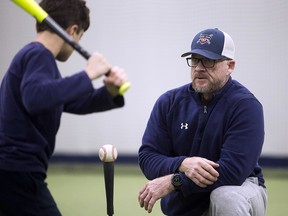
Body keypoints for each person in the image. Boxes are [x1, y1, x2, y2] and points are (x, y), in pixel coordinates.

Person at [0, 0, 129, 215]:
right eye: (80, 37)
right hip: (17, 171)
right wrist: (88, 74)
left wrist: (110, 93)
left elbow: (71, 100)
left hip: (13, 173)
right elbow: (35, 98)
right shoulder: (39, 55)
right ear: (73, 30)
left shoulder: (35, 59)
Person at [138, 28, 267, 216]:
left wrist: (174, 181)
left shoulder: (245, 105)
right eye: (195, 59)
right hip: (187, 205)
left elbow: (231, 173)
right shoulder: (169, 102)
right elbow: (148, 157)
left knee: (225, 196)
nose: (199, 67)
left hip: (242, 189)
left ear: (230, 66)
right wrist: (183, 164)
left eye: (208, 60)